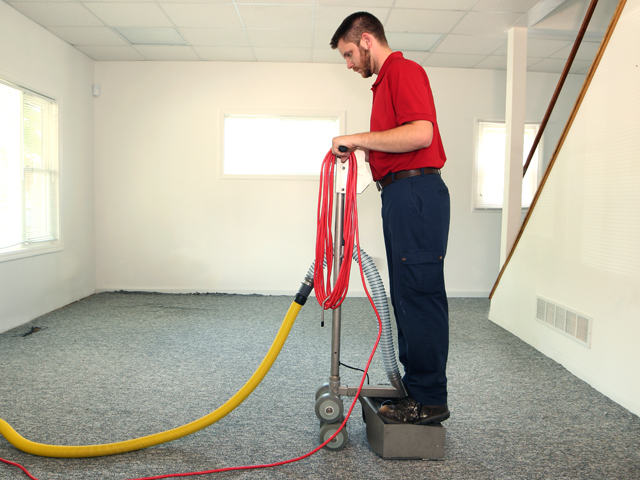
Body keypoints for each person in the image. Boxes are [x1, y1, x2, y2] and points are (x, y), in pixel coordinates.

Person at [330, 12, 450, 425]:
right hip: (401, 194)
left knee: (418, 294)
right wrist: (369, 152)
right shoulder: (383, 86)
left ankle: (430, 399)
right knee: (405, 295)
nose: (349, 64)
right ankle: (417, 391)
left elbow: (421, 134)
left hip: (416, 194)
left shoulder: (403, 70)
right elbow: (398, 141)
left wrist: (356, 138)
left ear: (366, 40)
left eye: (348, 54)